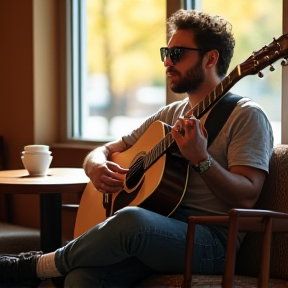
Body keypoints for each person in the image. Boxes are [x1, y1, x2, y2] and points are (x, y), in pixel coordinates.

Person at [0, 9, 273, 288]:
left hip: (211, 242)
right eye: (166, 52)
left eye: (177, 53)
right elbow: (107, 149)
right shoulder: (171, 114)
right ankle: (50, 266)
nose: (167, 62)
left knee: (131, 219)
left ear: (210, 58)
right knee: (82, 279)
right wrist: (94, 165)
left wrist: (201, 159)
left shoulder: (246, 115)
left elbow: (247, 196)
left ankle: (34, 265)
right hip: (157, 230)